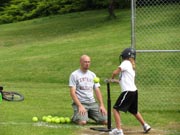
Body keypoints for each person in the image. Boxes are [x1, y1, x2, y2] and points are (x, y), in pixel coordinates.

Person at [109, 48, 151, 135]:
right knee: (134, 111)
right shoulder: (131, 66)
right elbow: (123, 80)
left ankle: (118, 130)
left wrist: (112, 77)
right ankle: (145, 125)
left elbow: (115, 72)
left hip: (128, 91)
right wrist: (114, 81)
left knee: (116, 109)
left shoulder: (125, 63)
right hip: (134, 91)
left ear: (125, 56)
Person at [69, 54, 107, 125]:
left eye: (89, 62)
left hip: (92, 103)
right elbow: (72, 93)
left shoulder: (92, 75)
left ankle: (88, 114)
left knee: (105, 121)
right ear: (80, 62)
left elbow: (97, 90)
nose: (87, 64)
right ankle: (75, 117)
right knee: (82, 122)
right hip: (81, 103)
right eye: (85, 62)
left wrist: (101, 105)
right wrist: (80, 106)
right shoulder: (74, 75)